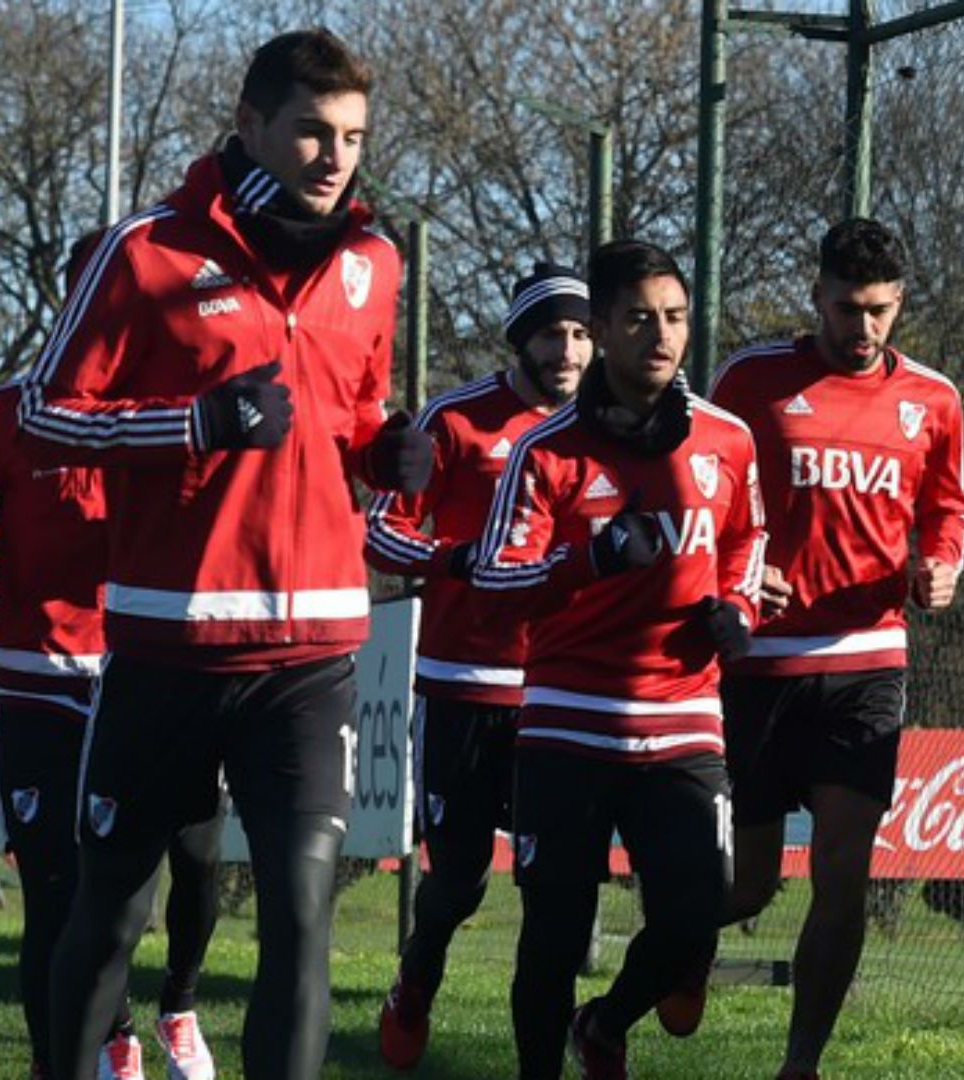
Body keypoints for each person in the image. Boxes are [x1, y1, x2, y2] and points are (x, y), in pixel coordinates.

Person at [19, 27, 429, 1080]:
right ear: (250, 125)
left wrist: (391, 451)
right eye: (310, 131)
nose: (334, 157)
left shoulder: (372, 262)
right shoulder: (145, 252)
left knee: (301, 918)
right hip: (169, 652)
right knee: (109, 920)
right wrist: (189, 428)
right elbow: (48, 420)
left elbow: (354, 415)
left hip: (312, 656)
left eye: (351, 135)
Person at [470, 238, 765, 1080]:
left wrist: (737, 607)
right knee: (553, 937)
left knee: (696, 917)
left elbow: (748, 539)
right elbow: (495, 576)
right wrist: (589, 557)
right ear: (599, 328)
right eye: (639, 319)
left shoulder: (728, 439)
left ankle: (604, 1024)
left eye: (674, 317)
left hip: (683, 725)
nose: (661, 335)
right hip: (566, 726)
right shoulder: (547, 450)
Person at [707, 218, 964, 1080]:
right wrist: (740, 572)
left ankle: (800, 1066)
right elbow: (700, 485)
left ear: (899, 305)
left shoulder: (932, 399)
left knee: (842, 876)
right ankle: (637, 986)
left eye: (881, 311)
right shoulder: (752, 380)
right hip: (764, 665)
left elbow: (947, 509)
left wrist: (940, 567)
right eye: (849, 309)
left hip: (868, 662)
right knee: (748, 890)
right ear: (816, 296)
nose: (864, 330)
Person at [0, 373, 224, 1080]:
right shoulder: (10, 409)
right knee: (57, 888)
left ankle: (178, 1005)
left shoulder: (180, 400)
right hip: (40, 679)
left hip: (157, 668)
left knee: (198, 852)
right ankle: (90, 1044)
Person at [365, 262, 592, 1070]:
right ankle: (417, 975)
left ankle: (544, 1051)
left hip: (562, 696)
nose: (567, 349)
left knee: (552, 892)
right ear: (518, 338)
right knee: (459, 882)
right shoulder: (455, 422)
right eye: (551, 332)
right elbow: (381, 532)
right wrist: (460, 561)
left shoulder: (608, 429)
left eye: (580, 333)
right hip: (462, 685)